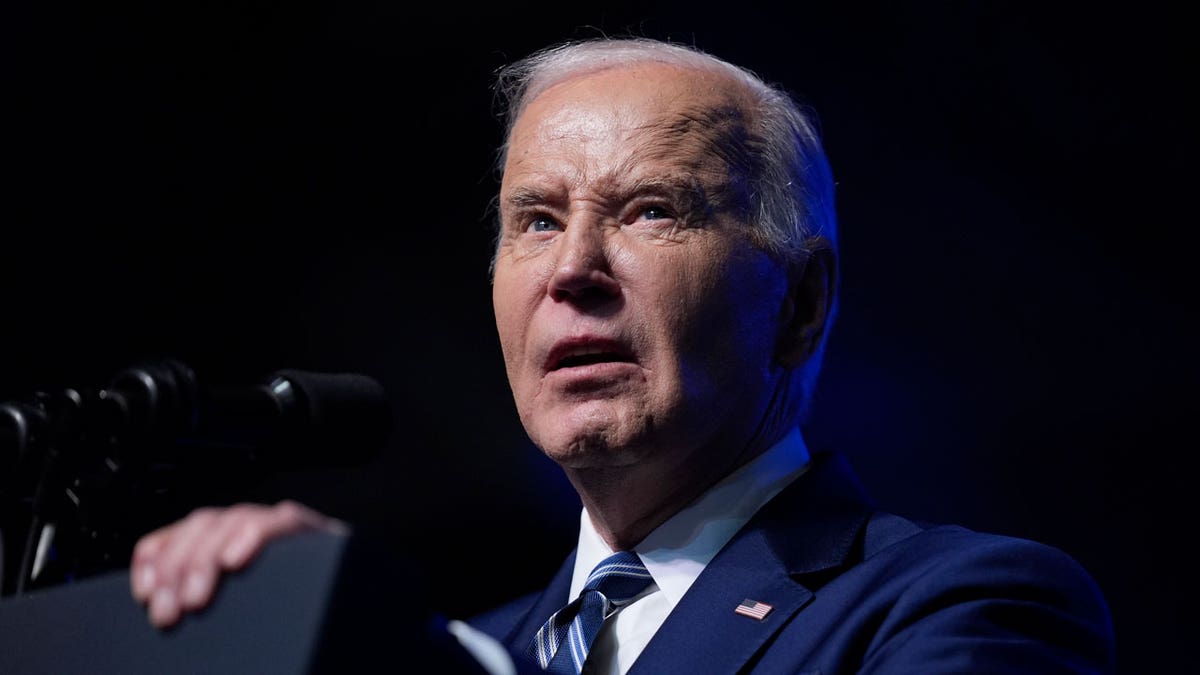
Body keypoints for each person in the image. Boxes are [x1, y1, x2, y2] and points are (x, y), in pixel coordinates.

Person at [128, 36, 1117, 673]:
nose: (573, 271)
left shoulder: (966, 609)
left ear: (803, 304)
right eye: (536, 220)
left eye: (652, 210)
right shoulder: (487, 643)